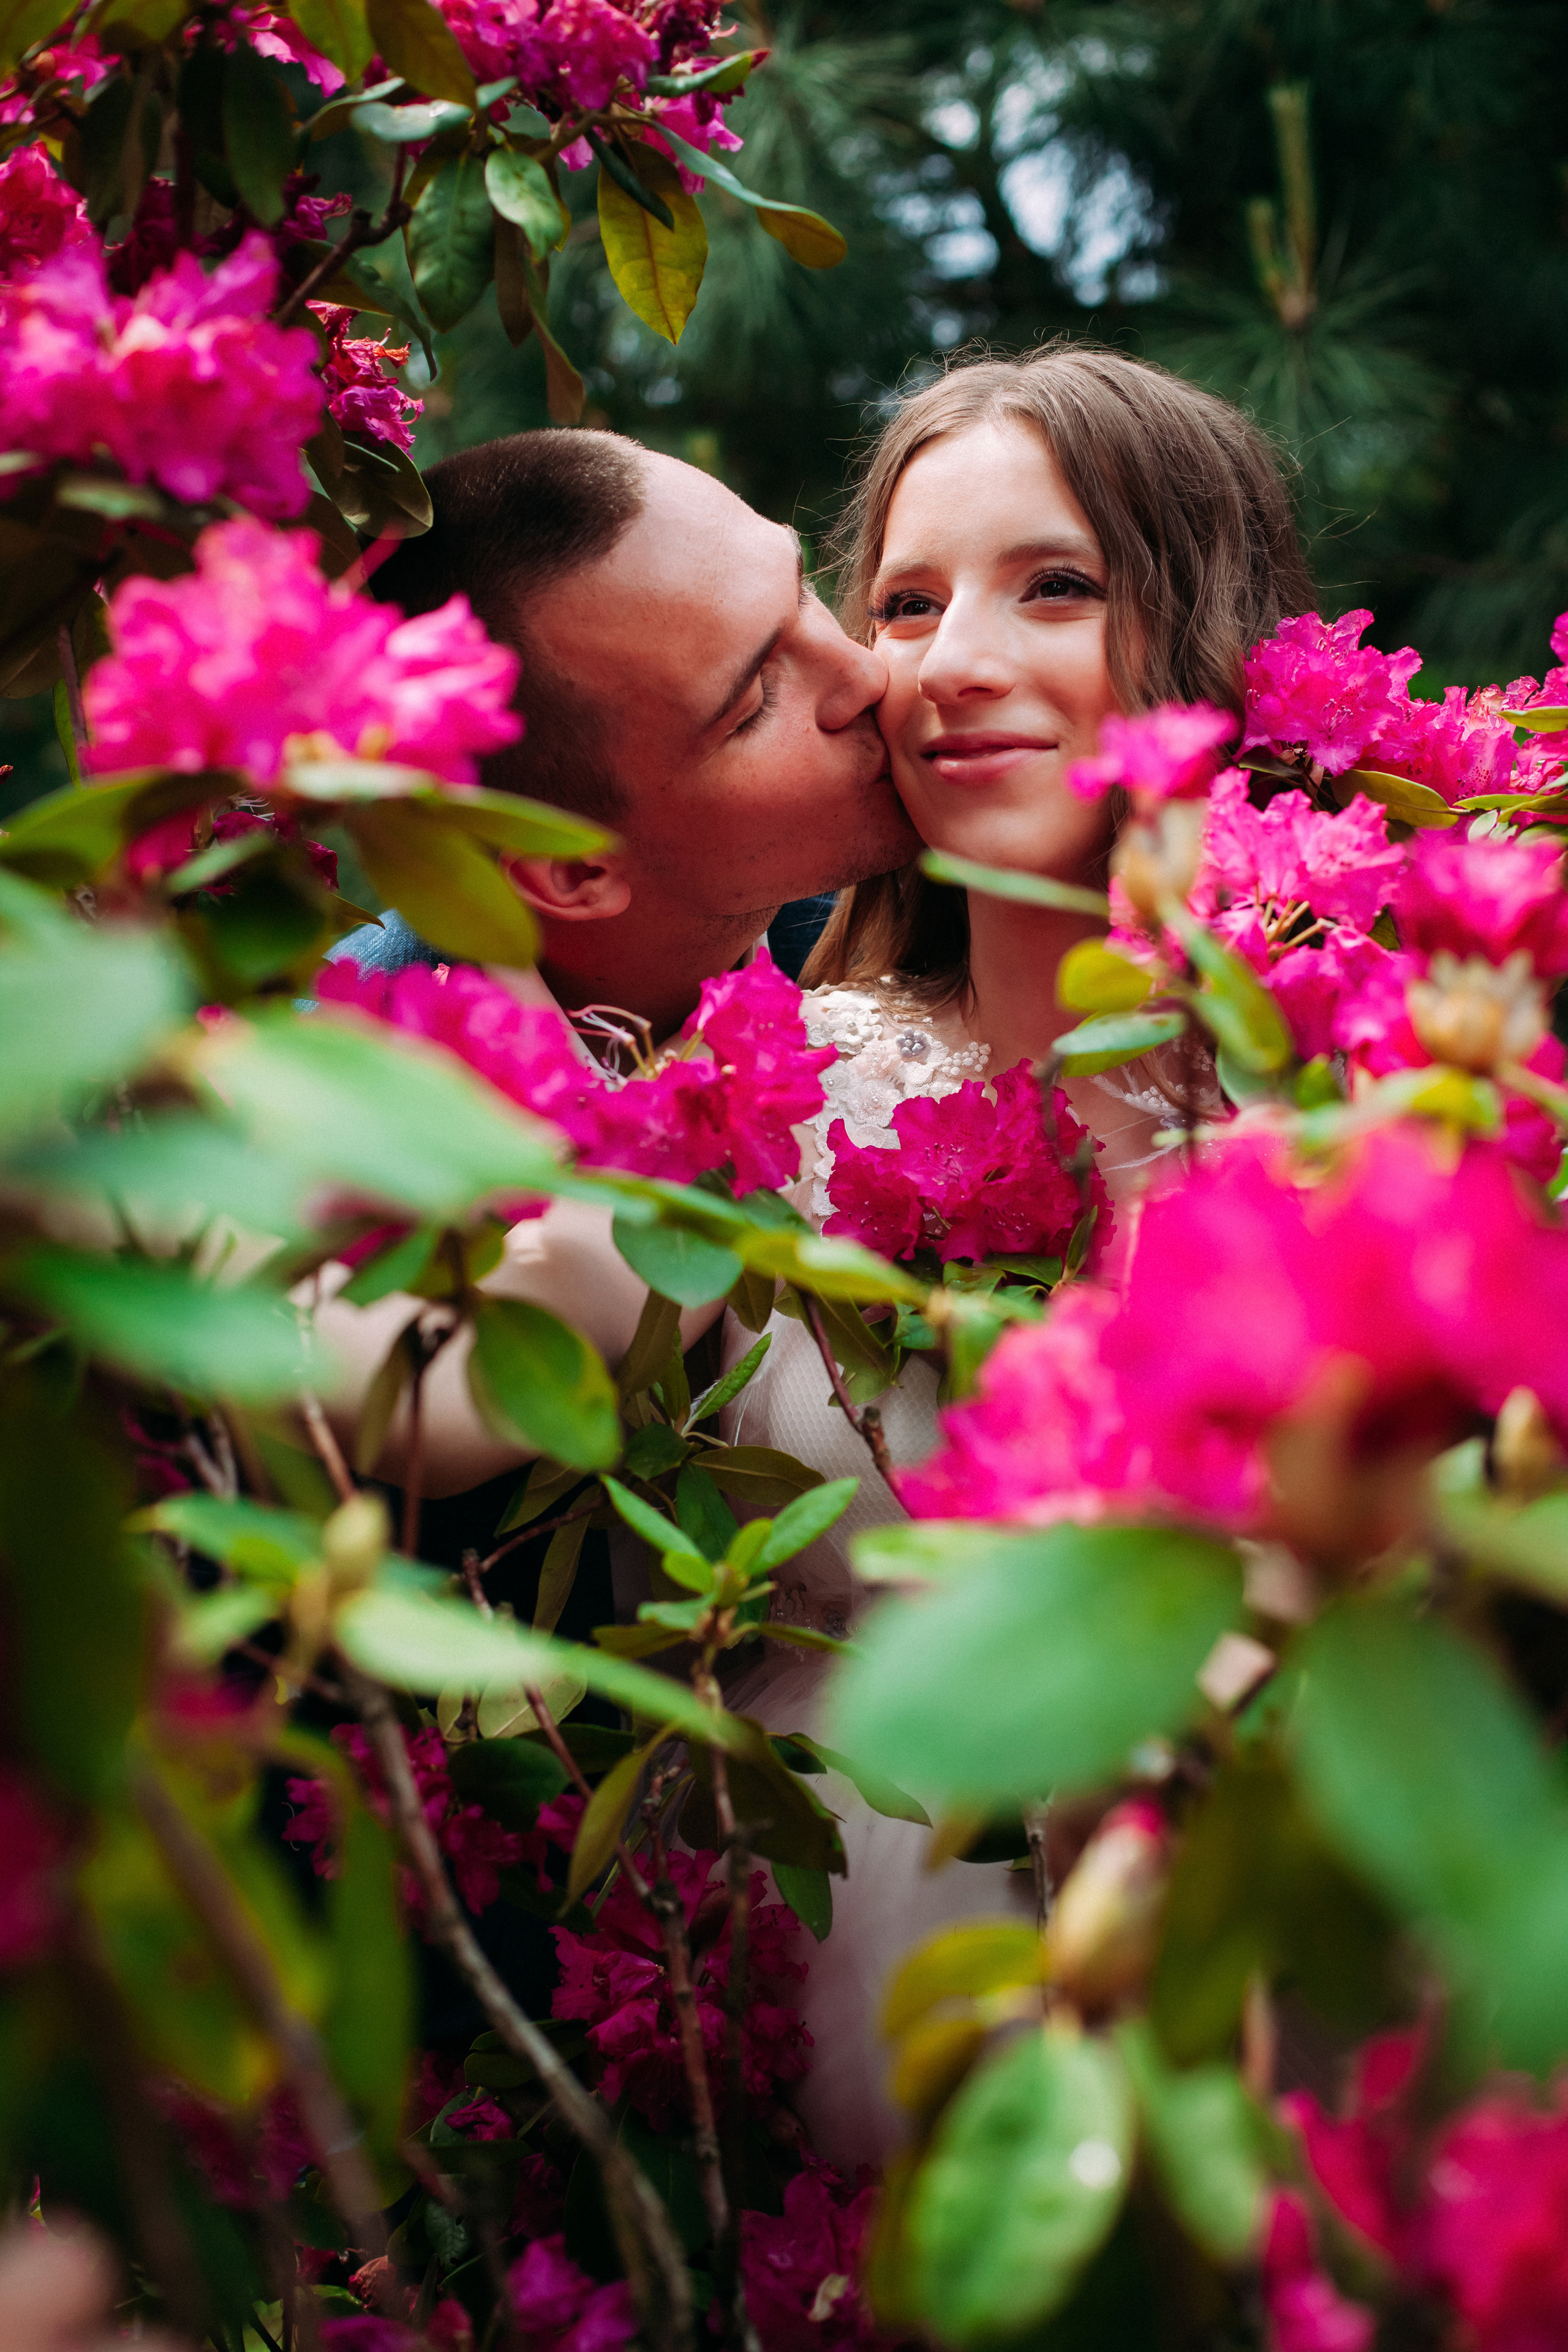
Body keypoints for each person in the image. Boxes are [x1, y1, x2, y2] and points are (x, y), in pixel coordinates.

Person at [708, 341, 1316, 2168]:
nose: (951, 664)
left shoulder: (1383, 1107)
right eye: (902, 602)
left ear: (1205, 624)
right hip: (837, 2073)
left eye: (1055, 586)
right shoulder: (778, 1085)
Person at [315, 426, 919, 1496]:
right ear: (571, 872)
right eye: (754, 704)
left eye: (806, 593)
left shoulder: (919, 932)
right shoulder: (338, 1090)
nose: (865, 672)